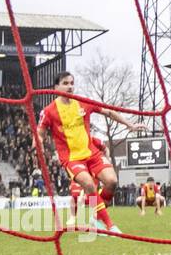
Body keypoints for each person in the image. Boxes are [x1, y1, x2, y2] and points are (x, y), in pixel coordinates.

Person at [35, 71, 142, 234]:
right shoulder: (49, 111)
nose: (70, 86)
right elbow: (39, 133)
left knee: (112, 182)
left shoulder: (82, 102)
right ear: (56, 87)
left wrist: (129, 124)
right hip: (72, 159)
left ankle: (97, 218)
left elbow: (108, 111)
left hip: (92, 154)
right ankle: (109, 225)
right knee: (89, 185)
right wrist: (39, 145)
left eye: (72, 83)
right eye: (65, 83)